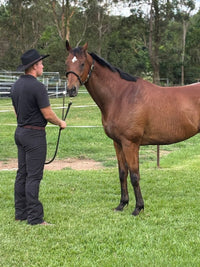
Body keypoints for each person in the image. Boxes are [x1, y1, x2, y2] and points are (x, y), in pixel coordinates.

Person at [11, 49, 66, 225]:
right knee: (33, 177)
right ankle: (35, 217)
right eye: (41, 63)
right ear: (34, 66)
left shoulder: (15, 86)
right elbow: (48, 114)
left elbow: (16, 113)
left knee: (22, 174)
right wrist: (60, 123)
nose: (43, 65)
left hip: (20, 132)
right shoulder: (38, 87)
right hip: (34, 136)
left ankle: (21, 212)